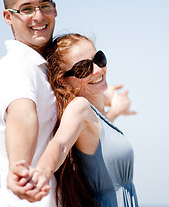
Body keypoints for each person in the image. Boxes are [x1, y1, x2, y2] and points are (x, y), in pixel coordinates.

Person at [0, 0, 134, 206]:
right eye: (26, 9)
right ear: (8, 16)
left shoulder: (43, 69)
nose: (38, 15)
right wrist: (19, 164)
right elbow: (23, 115)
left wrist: (113, 106)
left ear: (54, 9)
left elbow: (80, 121)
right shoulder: (16, 69)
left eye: (44, 6)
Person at [18, 33, 139, 207]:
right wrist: (41, 173)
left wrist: (116, 107)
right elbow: (60, 144)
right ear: (63, 81)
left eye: (99, 59)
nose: (97, 70)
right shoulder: (80, 107)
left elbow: (99, 131)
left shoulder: (95, 115)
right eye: (83, 68)